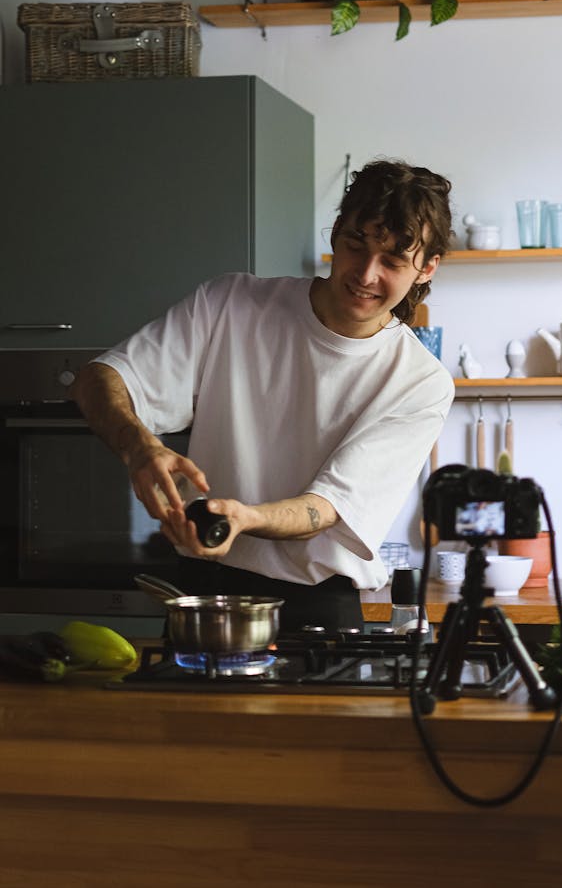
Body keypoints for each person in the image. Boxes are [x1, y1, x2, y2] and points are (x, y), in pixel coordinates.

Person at [71, 158, 456, 632]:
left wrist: (242, 518)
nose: (367, 274)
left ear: (426, 268)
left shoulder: (419, 381)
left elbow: (325, 509)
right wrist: (138, 445)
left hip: (316, 612)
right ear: (335, 233)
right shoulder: (230, 303)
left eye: (394, 262)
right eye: (356, 245)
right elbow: (101, 377)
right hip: (201, 597)